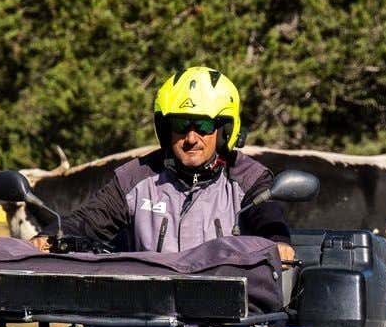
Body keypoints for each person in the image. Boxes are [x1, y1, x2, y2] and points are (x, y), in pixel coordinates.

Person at [39, 66, 294, 259]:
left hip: (227, 312)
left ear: (224, 131)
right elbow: (88, 220)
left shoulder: (249, 179)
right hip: (149, 309)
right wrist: (48, 237)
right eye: (180, 125)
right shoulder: (136, 178)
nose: (191, 138)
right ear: (165, 130)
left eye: (203, 126)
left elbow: (271, 226)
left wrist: (279, 245)